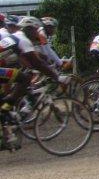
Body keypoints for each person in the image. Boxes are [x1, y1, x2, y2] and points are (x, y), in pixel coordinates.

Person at [0, 17, 66, 150]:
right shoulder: (23, 39)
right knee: (23, 79)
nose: (37, 33)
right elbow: (37, 62)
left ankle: (5, 135)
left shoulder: (16, 37)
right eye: (36, 30)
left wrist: (35, 68)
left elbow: (27, 59)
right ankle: (7, 107)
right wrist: (56, 76)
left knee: (18, 83)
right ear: (29, 29)